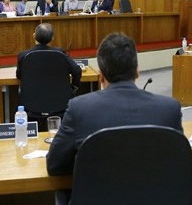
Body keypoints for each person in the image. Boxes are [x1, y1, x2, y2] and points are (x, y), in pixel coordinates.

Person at [46, 33, 183, 187]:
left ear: (101, 77)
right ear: (137, 71)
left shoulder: (78, 109)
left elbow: (55, 166)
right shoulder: (170, 109)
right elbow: (179, 162)